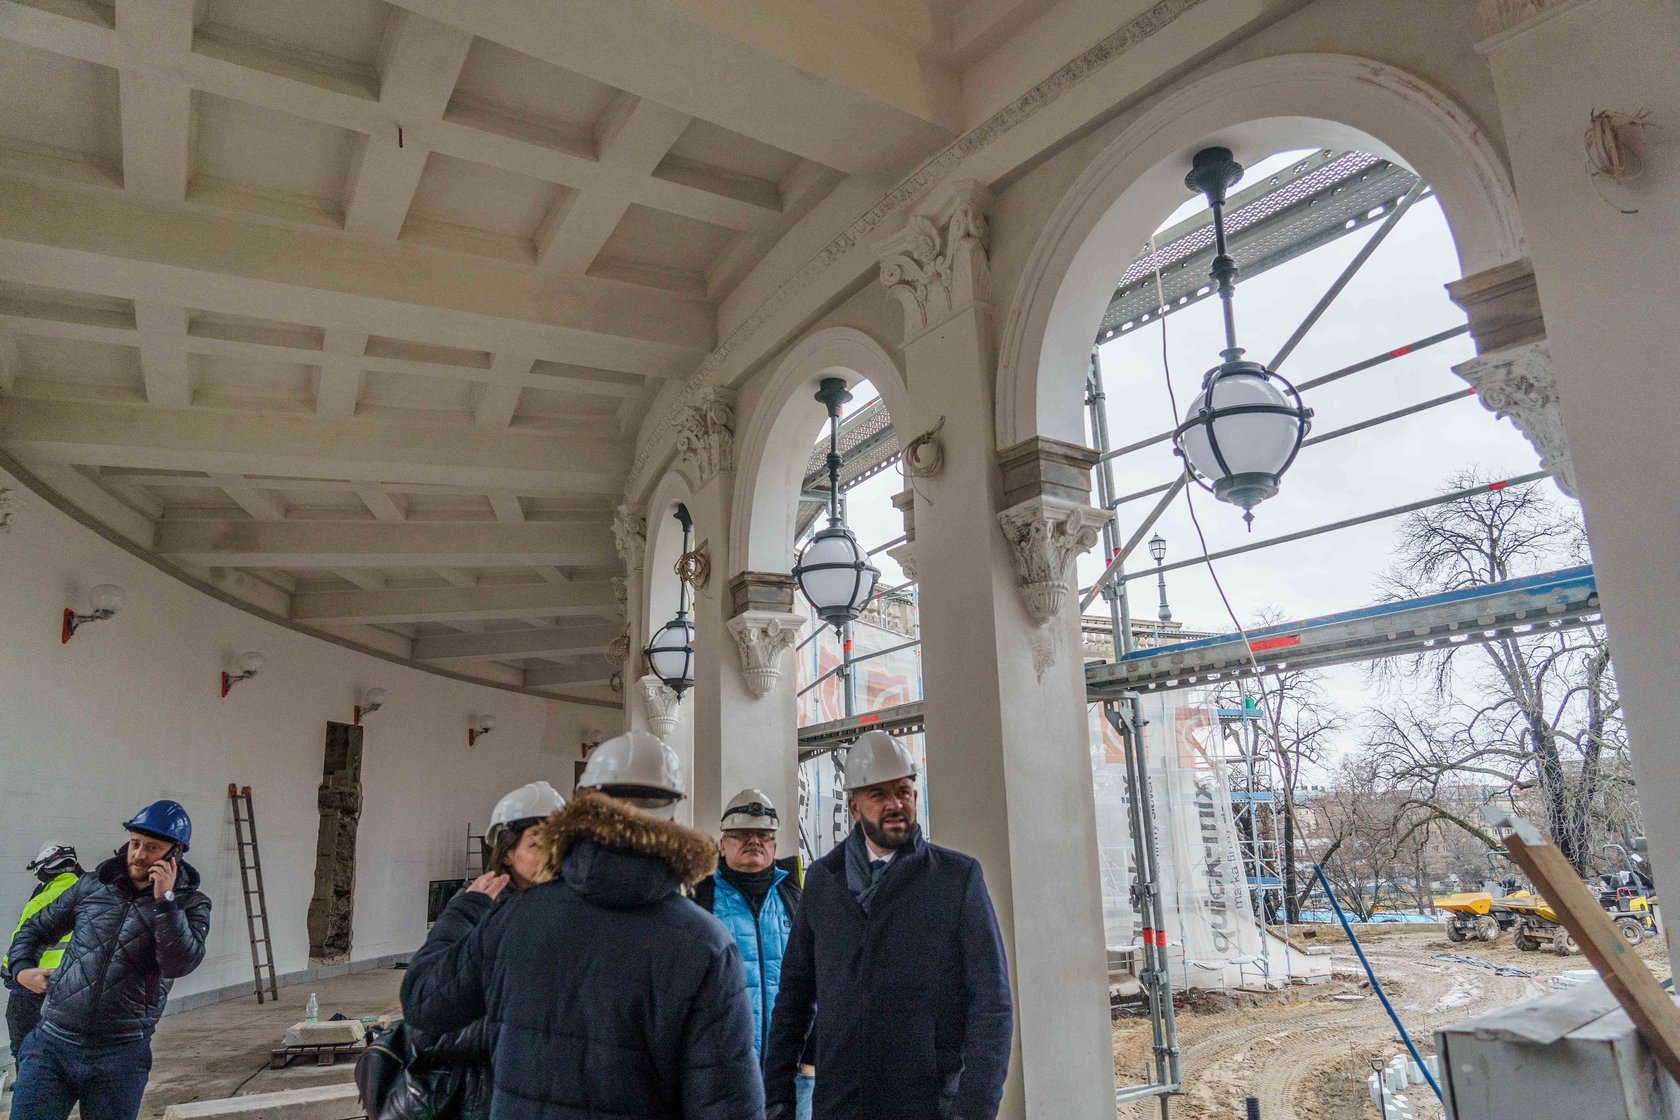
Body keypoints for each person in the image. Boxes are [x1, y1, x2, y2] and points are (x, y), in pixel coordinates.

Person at [401, 732, 764, 1120]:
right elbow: (728, 1106)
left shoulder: (514, 918)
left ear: (584, 810)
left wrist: (466, 910)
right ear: (673, 819)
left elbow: (424, 1003)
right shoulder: (706, 945)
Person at [764, 732, 1013, 1120]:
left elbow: (991, 1004)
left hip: (927, 1105)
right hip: (841, 1104)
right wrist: (777, 1093)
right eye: (878, 794)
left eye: (903, 791)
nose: (895, 804)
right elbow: (796, 994)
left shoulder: (955, 879)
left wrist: (973, 1109)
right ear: (854, 807)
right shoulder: (824, 882)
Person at [6, 801, 210, 1120]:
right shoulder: (92, 886)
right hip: (52, 1044)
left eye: (152, 847)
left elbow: (178, 964)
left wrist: (165, 902)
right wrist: (21, 971)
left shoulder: (191, 905)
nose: (138, 854)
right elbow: (34, 928)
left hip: (120, 1055)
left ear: (176, 852)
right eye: (135, 843)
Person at [383, 781, 568, 1120]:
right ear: (507, 852)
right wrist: (517, 1030)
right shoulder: (475, 907)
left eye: (559, 842)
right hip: (483, 1092)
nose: (552, 854)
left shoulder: (571, 909)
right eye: (537, 843)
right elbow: (429, 1023)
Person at [692, 790, 815, 1120]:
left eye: (764, 834)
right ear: (722, 844)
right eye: (742, 834)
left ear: (774, 845)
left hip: (791, 1076)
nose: (754, 841)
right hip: (722, 1075)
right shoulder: (700, 899)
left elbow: (817, 979)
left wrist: (811, 1057)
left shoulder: (795, 897)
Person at [3, 844, 85, 1064]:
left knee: (24, 1045)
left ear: (44, 871)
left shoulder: (41, 901)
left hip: (34, 984)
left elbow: (20, 943)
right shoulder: (92, 896)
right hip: (77, 986)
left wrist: (9, 970)